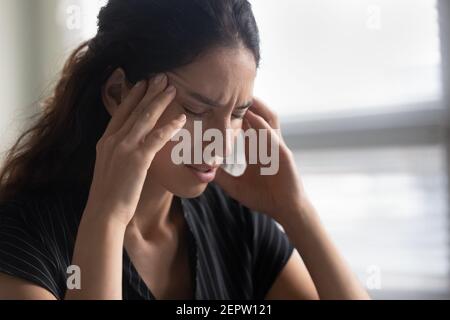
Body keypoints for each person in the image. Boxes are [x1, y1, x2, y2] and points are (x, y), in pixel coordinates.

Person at [0, 0, 369, 300]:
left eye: (238, 113)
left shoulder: (234, 221)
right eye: (195, 110)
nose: (222, 141)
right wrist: (107, 219)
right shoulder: (22, 239)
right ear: (117, 93)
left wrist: (295, 211)